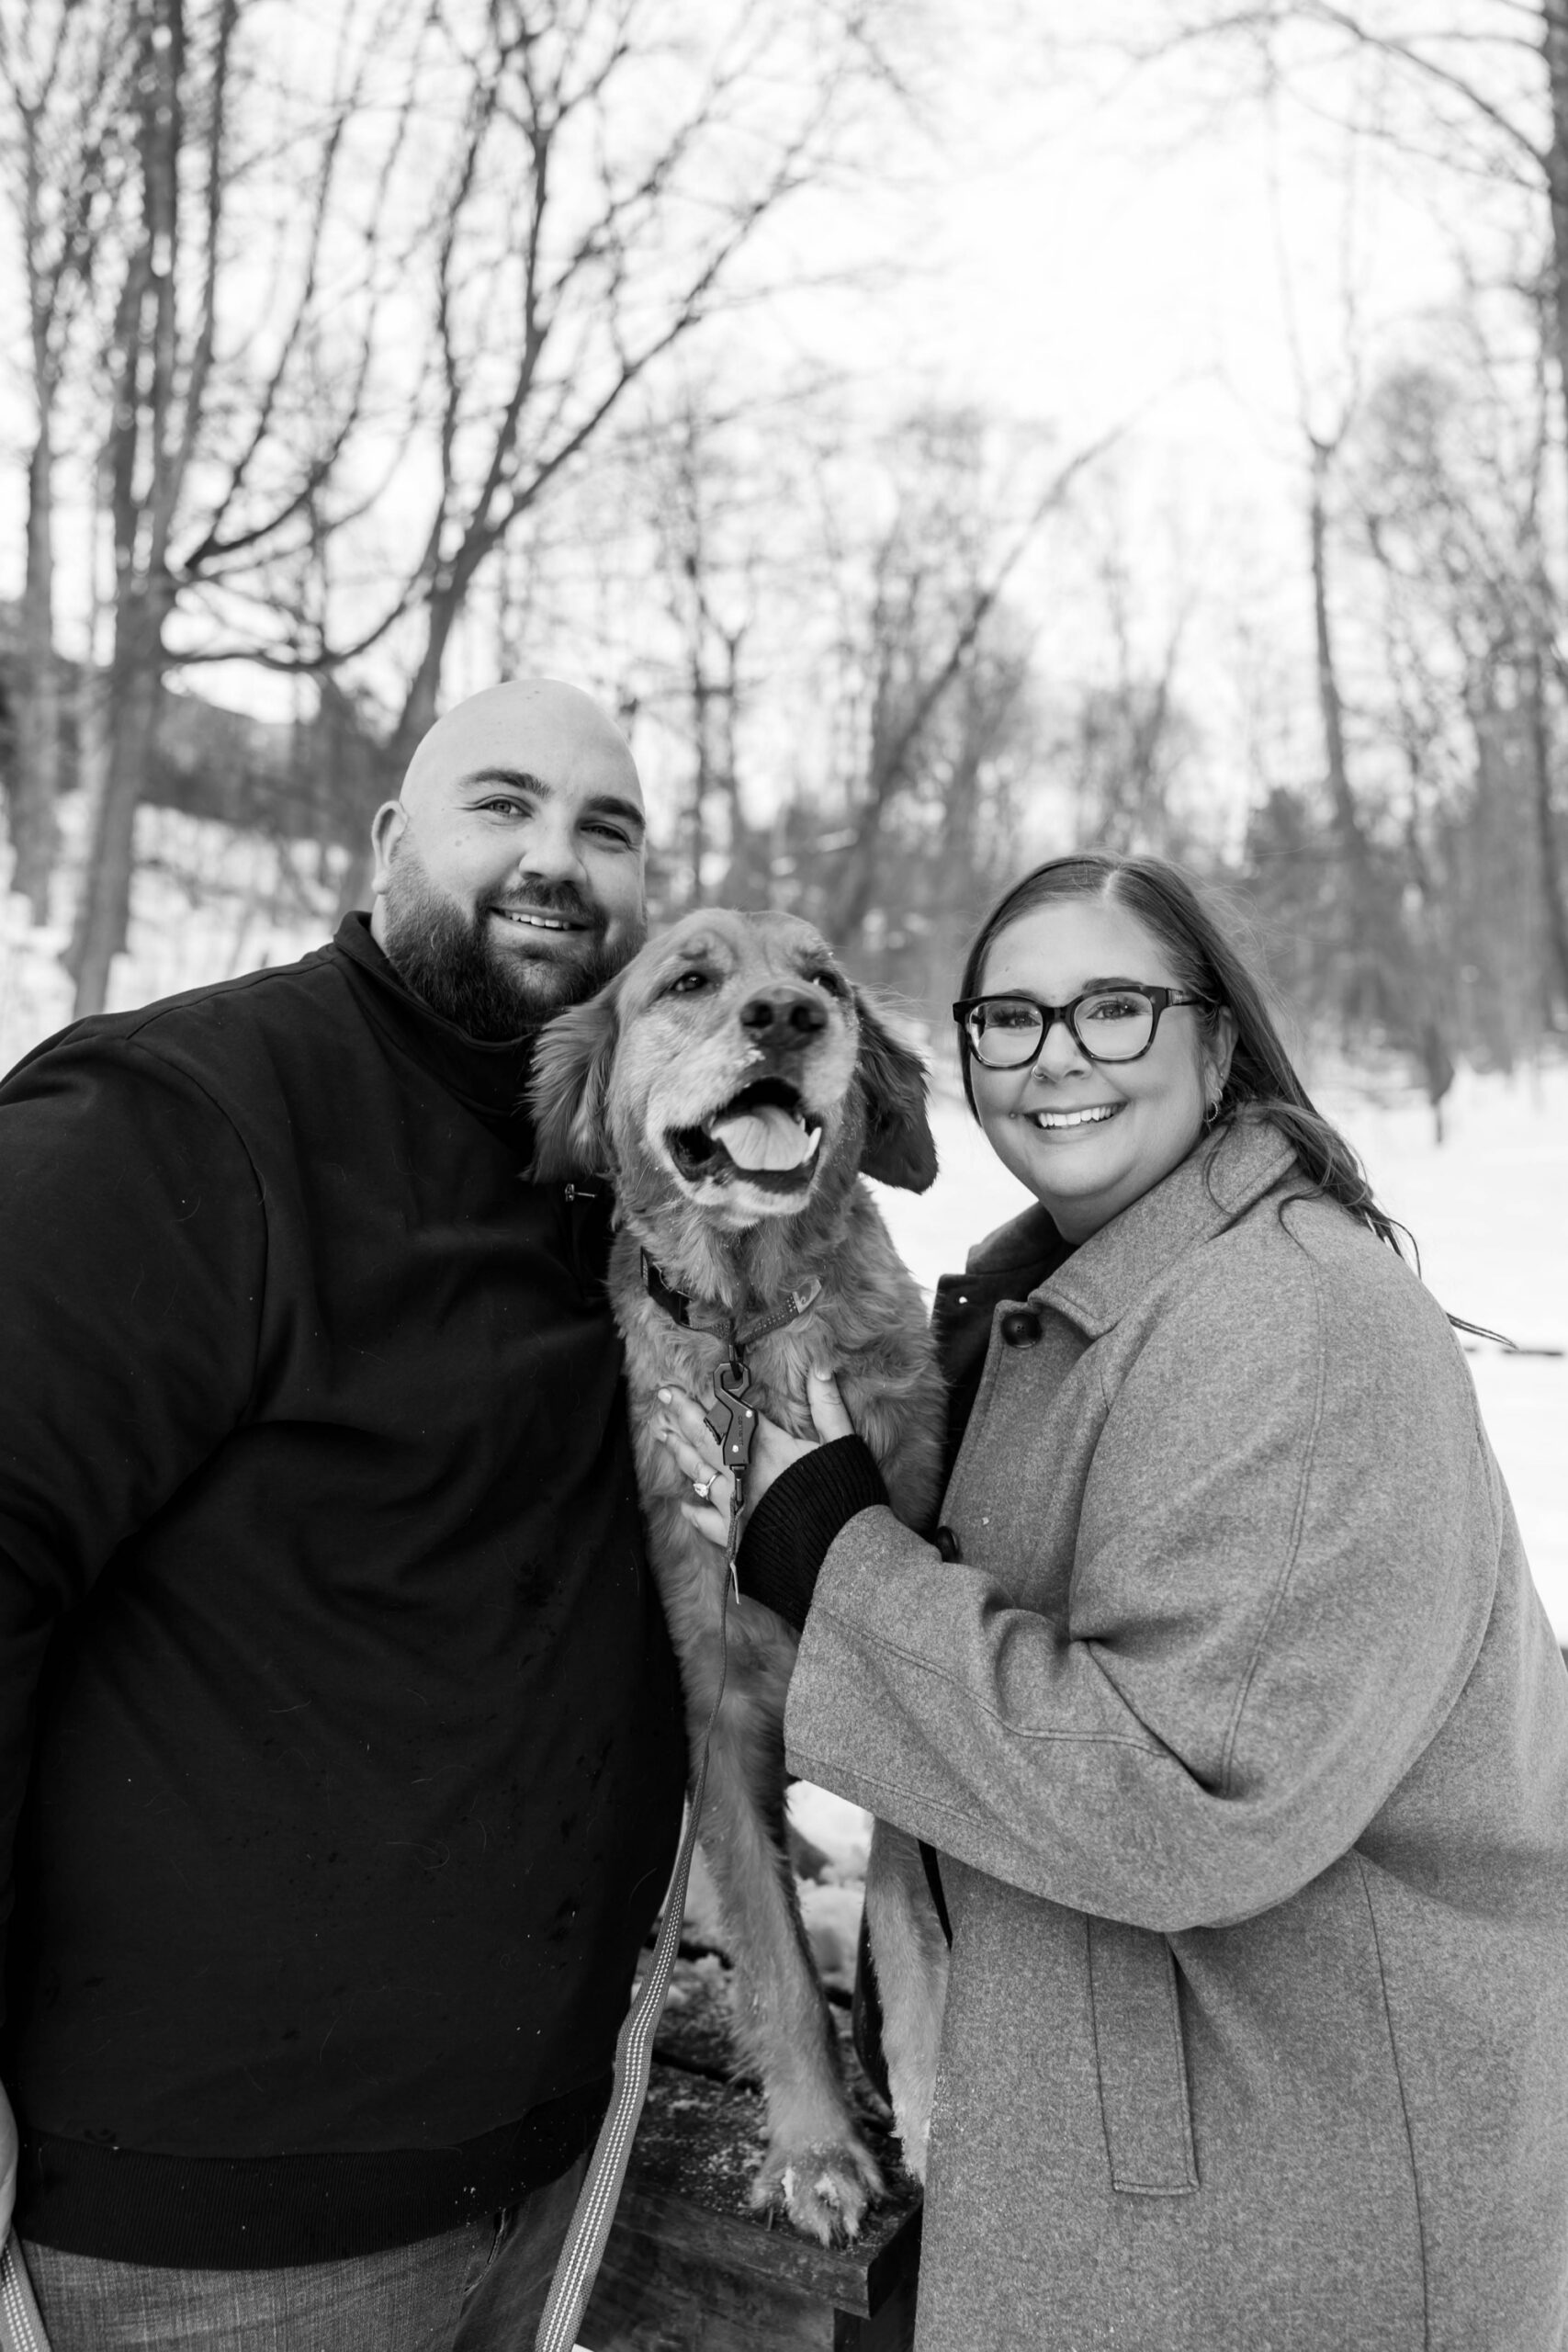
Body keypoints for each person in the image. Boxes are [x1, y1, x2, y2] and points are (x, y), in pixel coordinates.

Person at [656, 850, 1568, 2352]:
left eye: (1114, 1008)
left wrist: (823, 1543)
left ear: (1218, 1039)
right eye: (1006, 1019)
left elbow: (1181, 1801)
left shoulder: (1296, 1319)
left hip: (1279, 2212)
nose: (1055, 1054)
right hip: (1121, 2147)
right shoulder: (1081, 1310)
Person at [0, 679, 687, 2349]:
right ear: (388, 844)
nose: (557, 861)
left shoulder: (626, 1177)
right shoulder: (187, 1113)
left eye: (607, 829)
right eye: (502, 805)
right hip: (207, 2234)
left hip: (530, 2185)